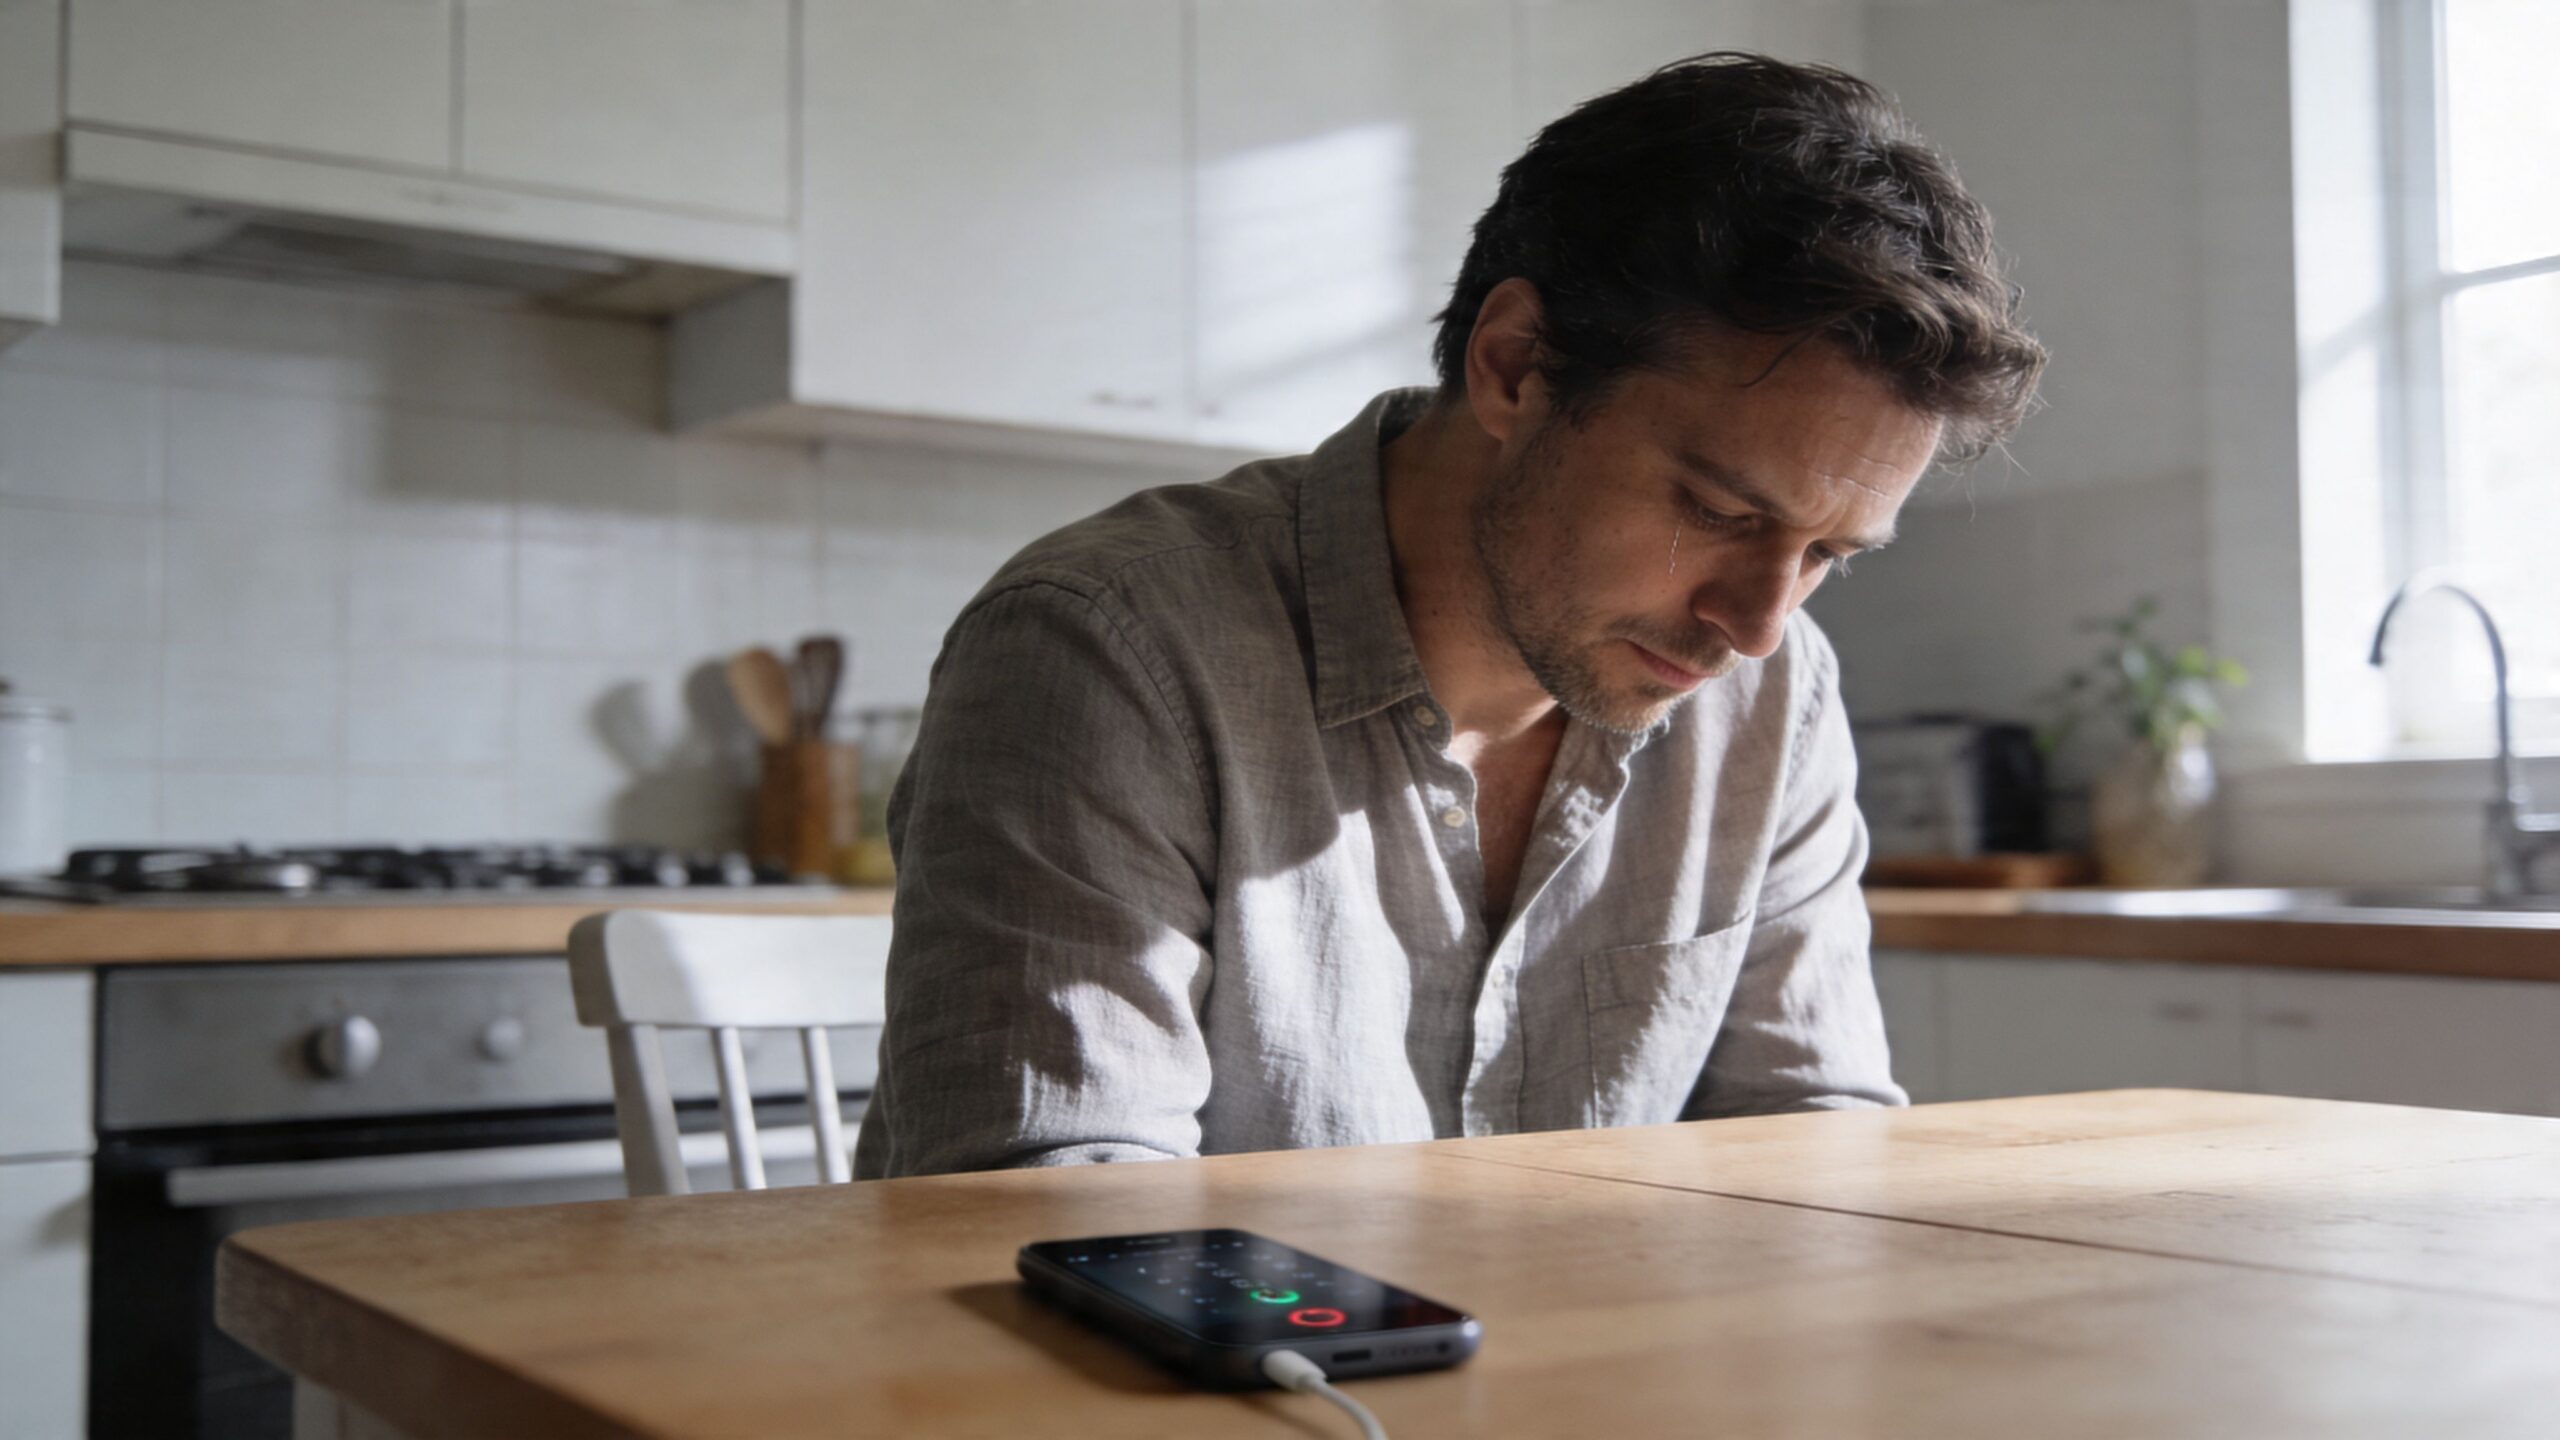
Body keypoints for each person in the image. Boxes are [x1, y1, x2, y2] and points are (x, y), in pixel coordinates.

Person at [852, 51, 2044, 1178]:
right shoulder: (1107, 647)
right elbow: (1055, 1230)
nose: (1757, 625)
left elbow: (1806, 1151)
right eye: (1721, 512)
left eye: (1829, 553)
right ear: (1517, 365)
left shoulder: (1775, 695)